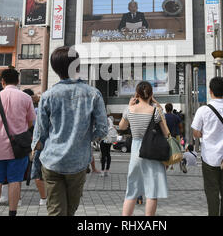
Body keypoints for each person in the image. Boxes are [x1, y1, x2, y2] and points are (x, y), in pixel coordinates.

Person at [32, 46, 108, 216]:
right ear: (77, 66)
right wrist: (85, 138)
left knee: (56, 211)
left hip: (51, 161)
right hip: (78, 162)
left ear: (55, 69)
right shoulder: (93, 94)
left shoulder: (48, 96)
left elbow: (40, 134)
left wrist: (36, 150)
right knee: (70, 210)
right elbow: (103, 129)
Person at [0, 68, 36, 216]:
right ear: (18, 81)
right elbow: (31, 122)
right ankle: (12, 213)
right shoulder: (25, 98)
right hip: (18, 148)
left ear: (2, 82)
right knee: (15, 180)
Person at [119, 81, 170, 216]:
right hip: (152, 151)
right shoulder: (156, 111)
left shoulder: (129, 110)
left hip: (136, 151)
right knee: (152, 192)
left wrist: (129, 106)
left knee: (132, 191)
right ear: (151, 94)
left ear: (136, 94)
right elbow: (166, 133)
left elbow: (122, 127)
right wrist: (159, 108)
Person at [192, 77, 223, 216]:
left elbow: (196, 132)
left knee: (212, 192)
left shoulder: (203, 110)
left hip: (209, 158)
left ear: (210, 91)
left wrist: (203, 133)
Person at [24, 89, 47, 206]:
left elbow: (33, 127)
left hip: (37, 144)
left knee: (37, 172)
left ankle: (43, 198)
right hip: (50, 145)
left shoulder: (34, 111)